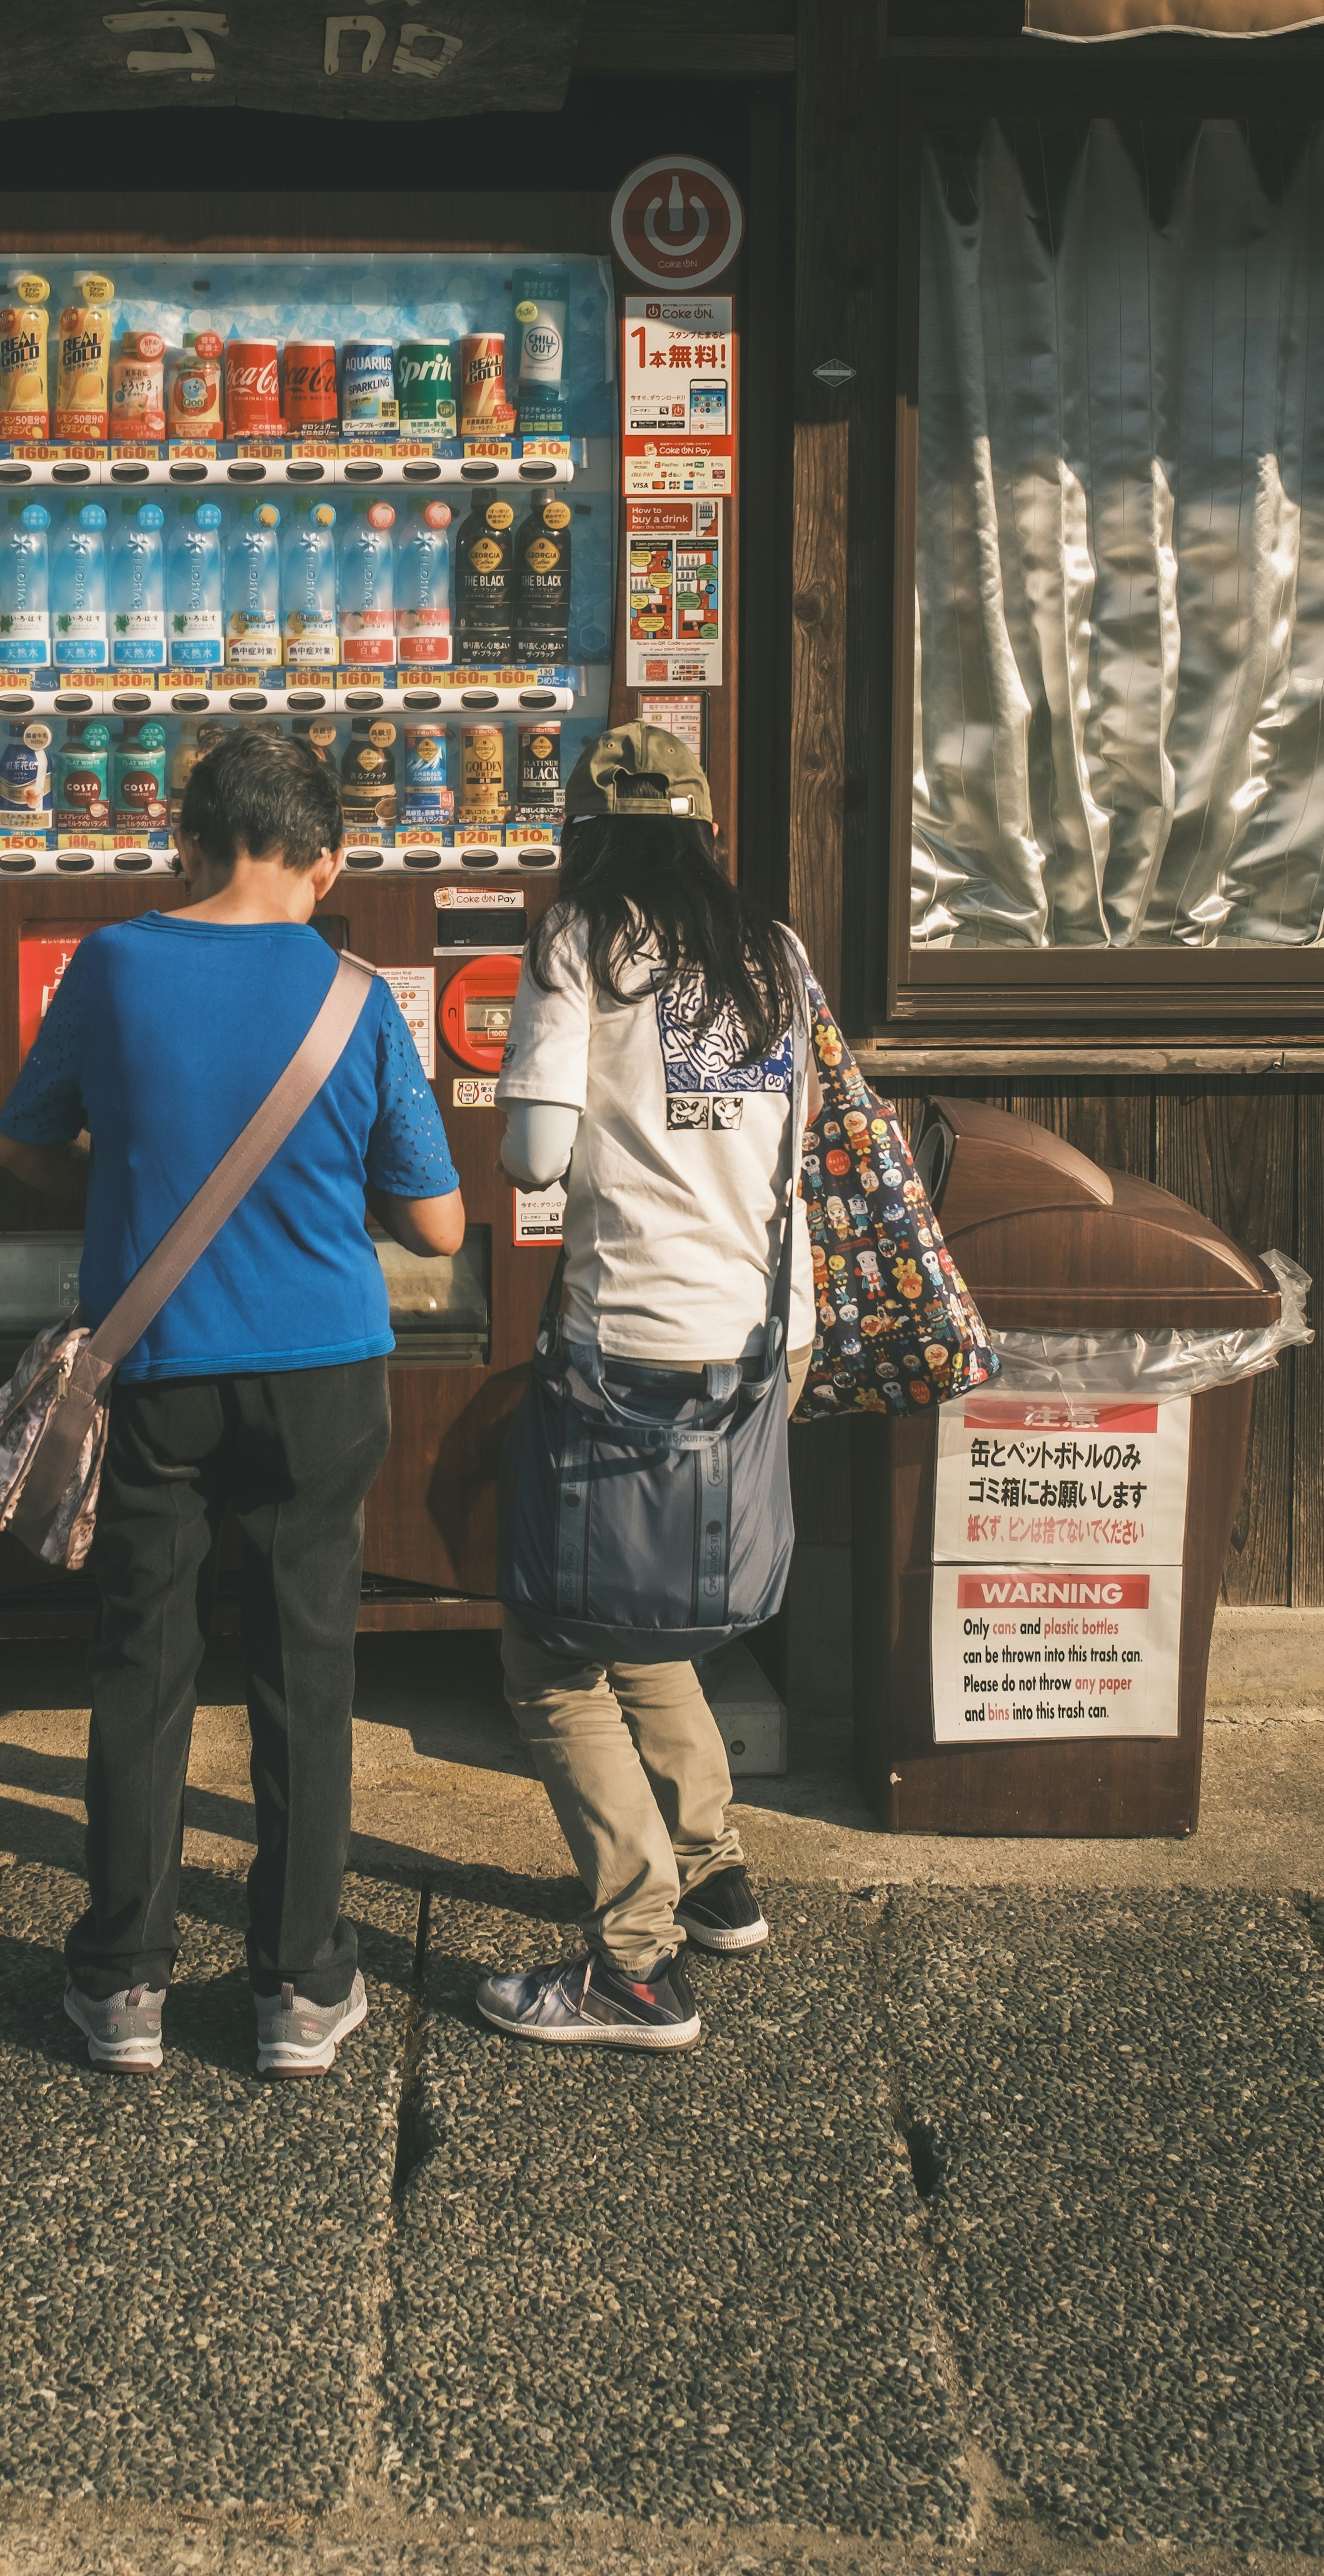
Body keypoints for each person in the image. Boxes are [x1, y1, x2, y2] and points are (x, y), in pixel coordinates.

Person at [0, 728, 463, 2080]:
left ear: (185, 842)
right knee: (305, 1670)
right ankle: (301, 1994)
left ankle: (123, 1989)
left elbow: (20, 1149)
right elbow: (434, 1225)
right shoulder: (358, 996)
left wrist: (132, 1170)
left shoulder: (114, 964)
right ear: (327, 861)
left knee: (144, 1664)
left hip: (156, 1368)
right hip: (322, 1373)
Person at [476, 726, 819, 2055]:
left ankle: (633, 1961)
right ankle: (718, 1872)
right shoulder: (772, 951)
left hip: (635, 1350)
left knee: (553, 1647)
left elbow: (531, 1157)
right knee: (649, 1613)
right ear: (705, 826)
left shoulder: (584, 939)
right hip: (763, 1335)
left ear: (593, 834)